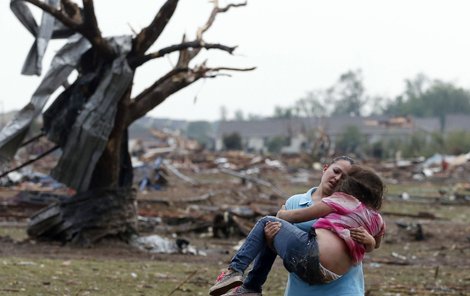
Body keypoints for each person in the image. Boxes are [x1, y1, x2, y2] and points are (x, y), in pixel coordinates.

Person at [208, 163, 385, 296]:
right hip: (324, 275)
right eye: (336, 171)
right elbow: (376, 243)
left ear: (349, 187)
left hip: (333, 279)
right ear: (325, 168)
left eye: (344, 177)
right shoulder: (376, 218)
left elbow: (294, 217)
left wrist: (281, 213)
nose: (338, 179)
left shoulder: (339, 200)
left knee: (265, 222)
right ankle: (250, 287)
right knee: (271, 229)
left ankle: (237, 273)